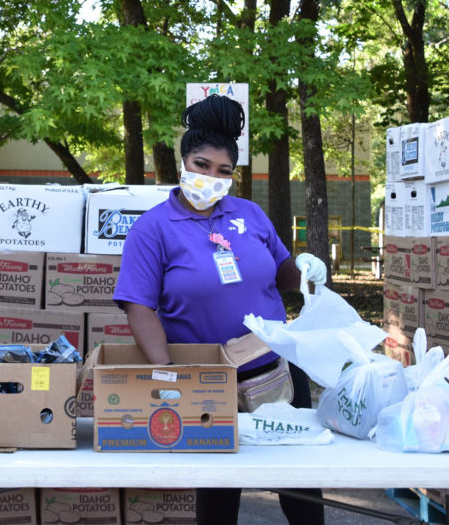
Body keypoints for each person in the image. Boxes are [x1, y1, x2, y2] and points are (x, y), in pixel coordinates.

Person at [113, 94, 329, 525]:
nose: (212, 177)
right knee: (218, 491)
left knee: (301, 487)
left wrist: (305, 269)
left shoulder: (249, 214)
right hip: (206, 378)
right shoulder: (152, 228)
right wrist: (167, 373)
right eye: (202, 165)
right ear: (183, 163)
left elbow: (281, 274)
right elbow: (139, 306)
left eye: (224, 171)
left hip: (276, 371)